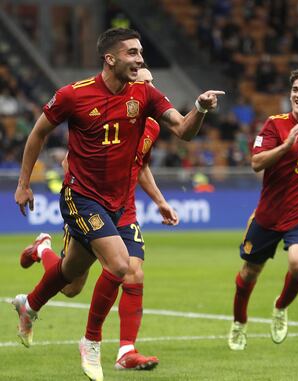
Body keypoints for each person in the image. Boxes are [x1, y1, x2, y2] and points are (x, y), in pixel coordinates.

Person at [13, 27, 224, 381]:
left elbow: (184, 130)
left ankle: (31, 298)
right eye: (132, 53)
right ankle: (92, 342)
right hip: (82, 196)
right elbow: (38, 133)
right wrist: (23, 184)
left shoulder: (145, 95)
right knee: (121, 265)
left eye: (141, 53)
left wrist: (200, 109)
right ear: (110, 59)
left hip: (120, 203)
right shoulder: (73, 95)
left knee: (70, 280)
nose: (140, 60)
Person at [19, 67, 177, 371]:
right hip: (89, 202)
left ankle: (125, 352)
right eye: (144, 84)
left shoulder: (152, 127)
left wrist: (160, 201)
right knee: (72, 285)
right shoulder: (98, 107)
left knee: (133, 272)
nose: (147, 91)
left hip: (124, 208)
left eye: (150, 85)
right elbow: (69, 159)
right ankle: (43, 251)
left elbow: (140, 165)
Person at [228, 65, 298, 351]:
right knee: (248, 273)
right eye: (295, 90)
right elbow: (256, 163)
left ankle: (280, 308)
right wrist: (286, 145)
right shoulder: (274, 124)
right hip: (269, 214)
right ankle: (239, 323)